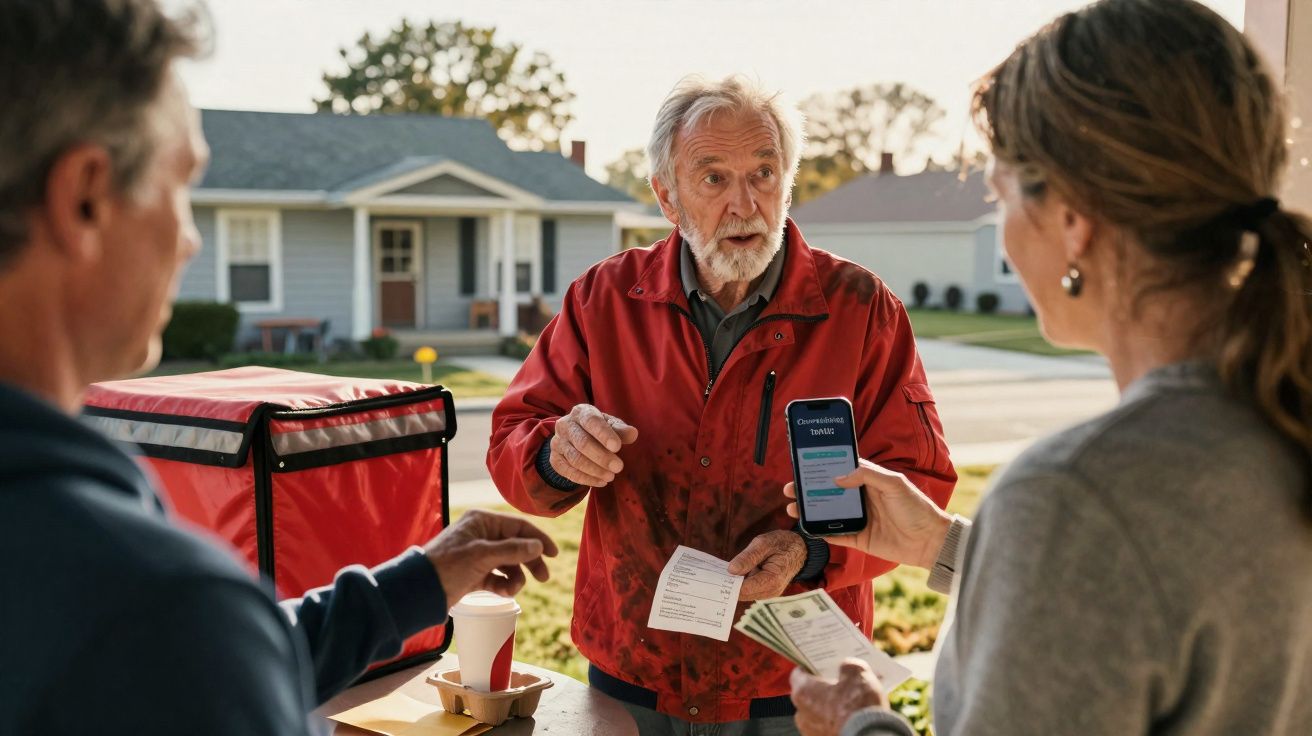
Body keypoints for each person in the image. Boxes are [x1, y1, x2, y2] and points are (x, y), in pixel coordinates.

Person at [0, 2, 557, 733]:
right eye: (183, 185)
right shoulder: (152, 608)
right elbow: (191, 656)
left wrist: (414, 586)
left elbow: (202, 668)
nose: (192, 240)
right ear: (85, 199)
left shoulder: (134, 619)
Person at [787, 1, 1312, 734]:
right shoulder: (1277, 418)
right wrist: (945, 547)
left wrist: (859, 722)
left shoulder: (1075, 498)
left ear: (1072, 219)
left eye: (1000, 195)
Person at [488, 75, 957, 734]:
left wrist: (811, 552)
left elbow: (921, 482)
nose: (745, 203)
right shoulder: (604, 300)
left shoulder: (860, 308)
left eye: (764, 173)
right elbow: (515, 442)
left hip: (792, 687)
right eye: (713, 178)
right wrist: (555, 455)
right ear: (667, 195)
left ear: (788, 183)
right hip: (634, 674)